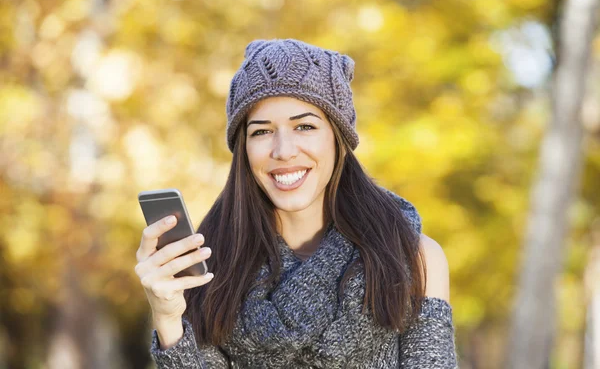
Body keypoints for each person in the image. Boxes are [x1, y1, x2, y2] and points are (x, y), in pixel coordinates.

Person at [135, 38, 458, 368]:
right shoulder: (211, 268)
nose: (283, 150)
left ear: (338, 137)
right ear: (243, 149)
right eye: (261, 132)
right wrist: (169, 318)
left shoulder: (411, 257)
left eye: (304, 126)